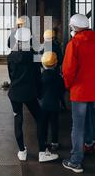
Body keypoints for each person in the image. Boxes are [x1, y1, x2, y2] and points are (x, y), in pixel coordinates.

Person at [62, 14, 95, 173]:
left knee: (78, 127)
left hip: (79, 93)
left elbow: (68, 70)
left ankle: (76, 161)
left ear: (74, 28)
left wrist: (68, 85)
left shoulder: (74, 44)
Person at [7, 27, 59, 163]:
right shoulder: (34, 56)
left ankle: (22, 151)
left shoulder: (11, 56)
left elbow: (11, 75)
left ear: (17, 40)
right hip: (30, 93)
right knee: (40, 118)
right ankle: (42, 152)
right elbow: (37, 76)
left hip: (15, 93)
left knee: (18, 120)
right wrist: (40, 93)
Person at [39, 52, 64, 151]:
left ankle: (44, 141)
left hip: (43, 104)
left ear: (43, 64)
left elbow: (38, 89)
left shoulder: (41, 76)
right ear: (56, 63)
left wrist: (40, 97)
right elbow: (62, 89)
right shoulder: (58, 77)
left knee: (43, 124)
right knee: (54, 124)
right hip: (54, 104)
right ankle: (54, 143)